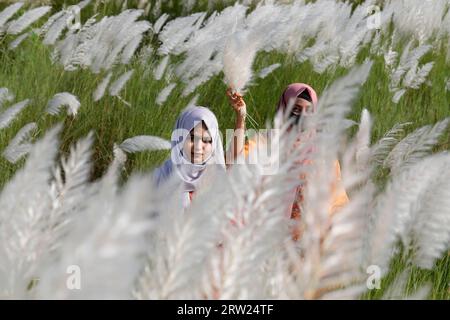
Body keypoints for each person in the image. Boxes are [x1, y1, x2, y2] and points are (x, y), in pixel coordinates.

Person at [228, 83, 349, 240]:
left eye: (308, 111)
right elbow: (236, 163)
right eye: (296, 109)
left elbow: (337, 201)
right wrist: (241, 118)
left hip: (304, 245)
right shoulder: (267, 143)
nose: (302, 116)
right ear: (284, 108)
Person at [153, 100, 246, 209]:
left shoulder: (217, 176)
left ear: (214, 144)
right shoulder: (161, 177)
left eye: (206, 140)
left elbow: (234, 160)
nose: (198, 147)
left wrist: (241, 118)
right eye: (192, 138)